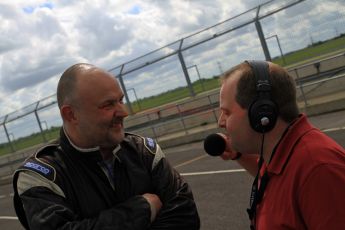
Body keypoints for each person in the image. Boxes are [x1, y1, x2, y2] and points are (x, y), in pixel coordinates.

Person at [13, 63, 200, 230]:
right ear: (71, 115)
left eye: (121, 100)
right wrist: (141, 210)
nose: (123, 112)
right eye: (108, 105)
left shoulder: (145, 151)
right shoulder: (40, 176)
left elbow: (186, 217)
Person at [217, 60, 345, 229]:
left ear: (261, 113)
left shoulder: (318, 169)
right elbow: (279, 183)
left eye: (227, 112)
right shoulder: (277, 153)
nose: (220, 122)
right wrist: (238, 155)